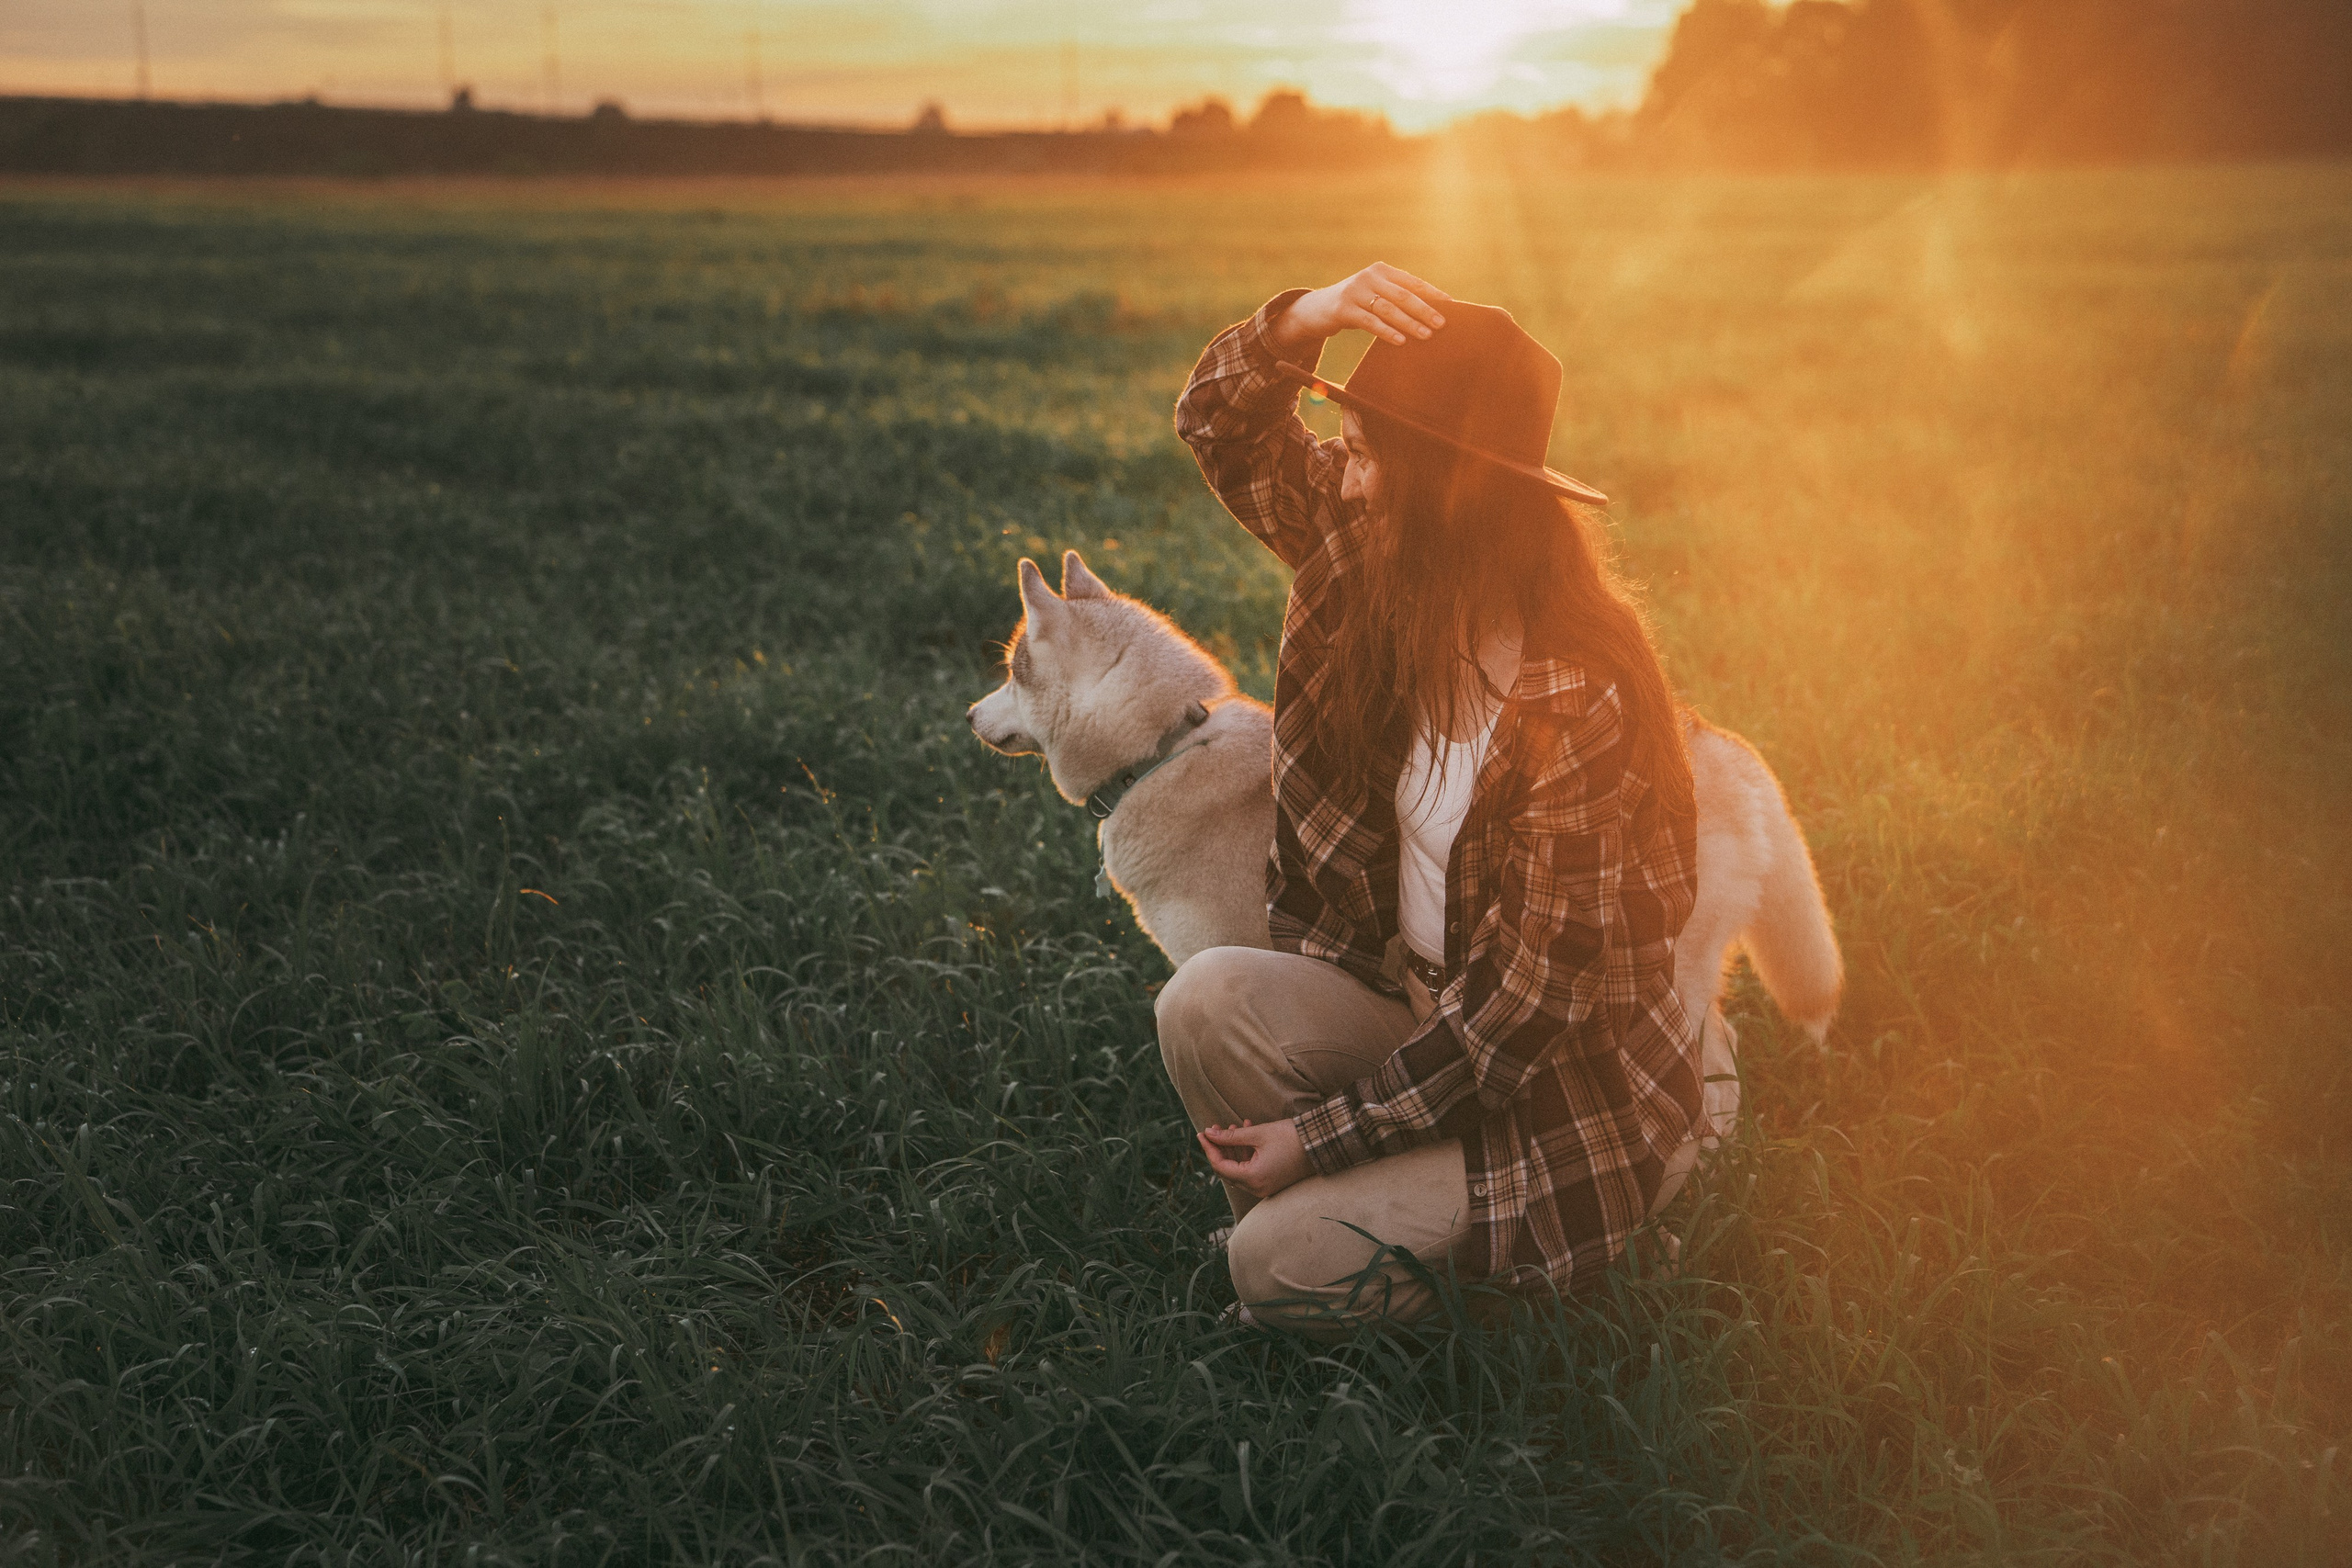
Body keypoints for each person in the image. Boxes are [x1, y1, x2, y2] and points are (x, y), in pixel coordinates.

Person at [1163, 263, 1704, 1335]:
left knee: (1276, 1268)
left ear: (1447, 492)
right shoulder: (1371, 561)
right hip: (1408, 1002)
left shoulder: (1576, 698)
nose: (1344, 482)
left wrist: (1319, 1140)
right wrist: (1306, 317)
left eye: (1365, 458)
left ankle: (1547, 1271)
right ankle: (1328, 1220)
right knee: (1201, 1003)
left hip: (1557, 1094)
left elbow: (1520, 1017)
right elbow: (1222, 429)